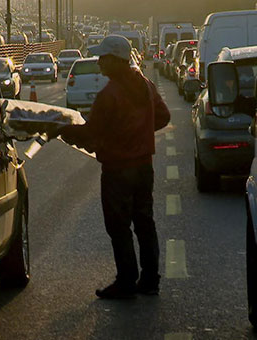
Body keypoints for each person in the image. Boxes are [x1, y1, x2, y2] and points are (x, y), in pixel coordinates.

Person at [53, 35, 171, 299]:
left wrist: (60, 130)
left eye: (103, 58)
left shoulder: (109, 94)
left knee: (118, 226)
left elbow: (91, 132)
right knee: (144, 222)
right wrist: (140, 134)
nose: (99, 62)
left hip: (118, 170)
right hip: (143, 167)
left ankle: (127, 281)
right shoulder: (145, 85)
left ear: (117, 61)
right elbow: (164, 116)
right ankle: (150, 280)